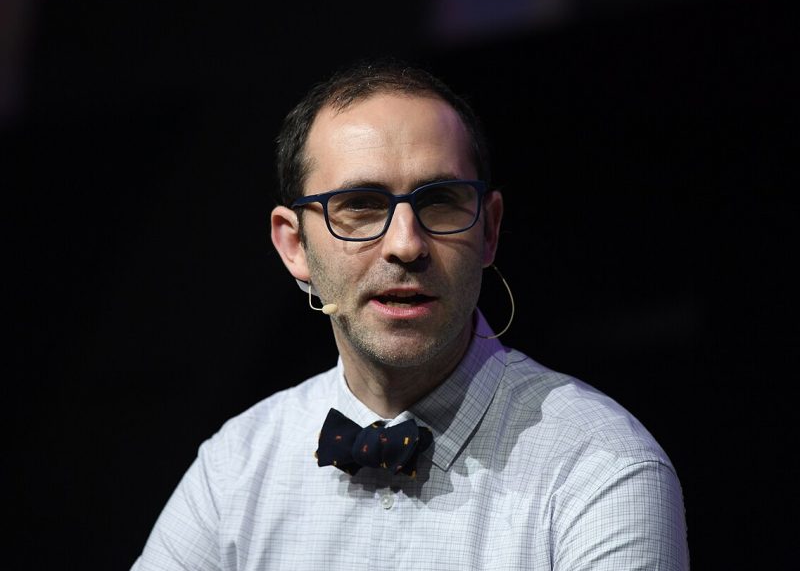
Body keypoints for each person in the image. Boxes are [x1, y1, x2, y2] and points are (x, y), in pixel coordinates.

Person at [132, 61, 689, 570]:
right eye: (360, 205)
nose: (406, 244)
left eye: (439, 201)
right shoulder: (236, 466)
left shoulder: (600, 465)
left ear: (489, 230)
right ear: (295, 245)